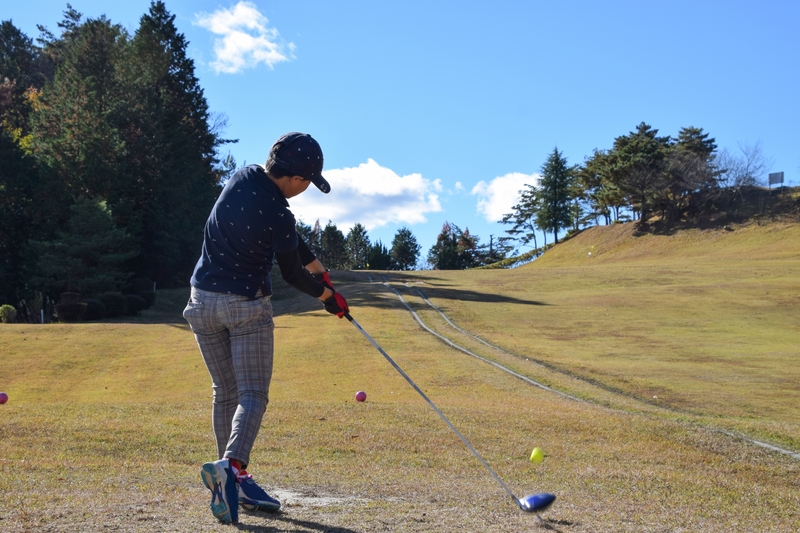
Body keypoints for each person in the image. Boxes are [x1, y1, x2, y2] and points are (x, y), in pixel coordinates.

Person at [183, 132, 349, 524]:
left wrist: (319, 269)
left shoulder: (242, 177)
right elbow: (291, 271)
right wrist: (329, 298)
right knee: (253, 393)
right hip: (245, 306)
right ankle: (233, 467)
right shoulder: (279, 213)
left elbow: (291, 240)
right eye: (308, 182)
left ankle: (230, 481)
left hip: (201, 302)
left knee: (225, 392)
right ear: (295, 178)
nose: (306, 189)